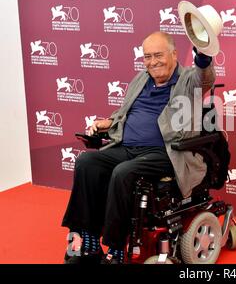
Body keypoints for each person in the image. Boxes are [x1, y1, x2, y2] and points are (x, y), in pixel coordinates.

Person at [62, 31, 215, 264]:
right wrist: (110, 122)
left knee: (123, 172)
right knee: (86, 162)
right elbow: (125, 111)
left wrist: (203, 56)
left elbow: (204, 78)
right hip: (128, 147)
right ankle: (87, 239)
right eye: (147, 56)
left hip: (165, 153)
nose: (152, 62)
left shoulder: (187, 80)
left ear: (174, 54)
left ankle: (115, 249)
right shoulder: (141, 78)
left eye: (158, 55)